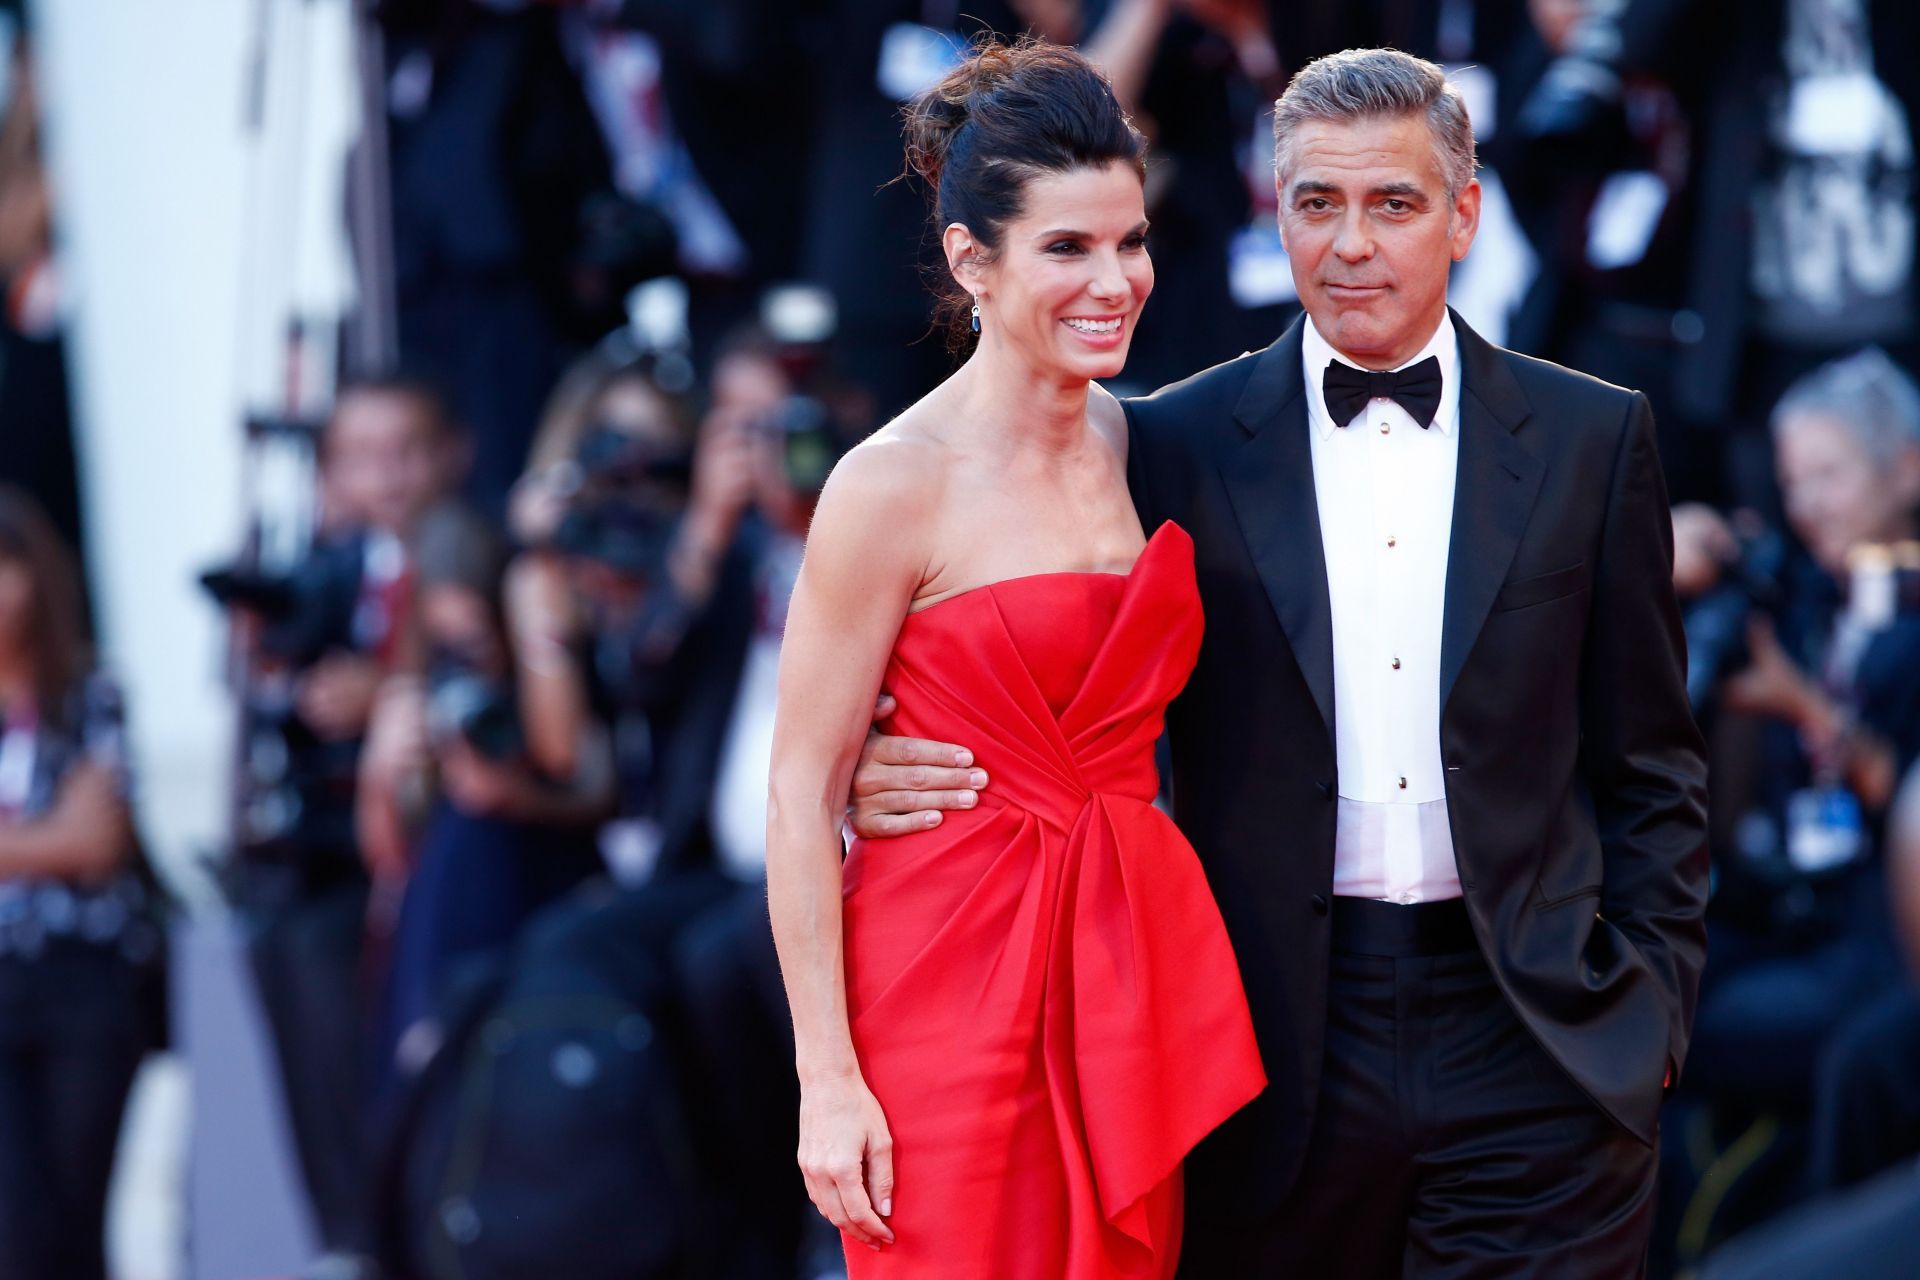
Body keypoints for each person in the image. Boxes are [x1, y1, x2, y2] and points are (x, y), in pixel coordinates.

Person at [855, 47, 1710, 1277]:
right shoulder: (1168, 443)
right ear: (1278, 211)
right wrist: (894, 767)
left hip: (1539, 1031)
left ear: (1463, 214)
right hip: (1269, 1039)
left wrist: (1652, 1010)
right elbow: (1042, 675)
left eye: (1393, 204)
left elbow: (1652, 762)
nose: (1352, 243)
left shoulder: (1594, 435)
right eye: (1318, 203)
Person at [766, 40, 1266, 1279]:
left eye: (1130, 241)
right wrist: (825, 1079)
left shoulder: (1138, 441)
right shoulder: (889, 484)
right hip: (944, 980)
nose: (1115, 282)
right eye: (1068, 249)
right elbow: (796, 791)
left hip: (1120, 975)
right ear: (969, 260)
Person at [0, 486, 161, 1280]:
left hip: (85, 981)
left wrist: (31, 845)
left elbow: (99, 843)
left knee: (77, 1222)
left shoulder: (89, 692)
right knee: (15, 1225)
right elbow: (71, 837)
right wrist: (48, 839)